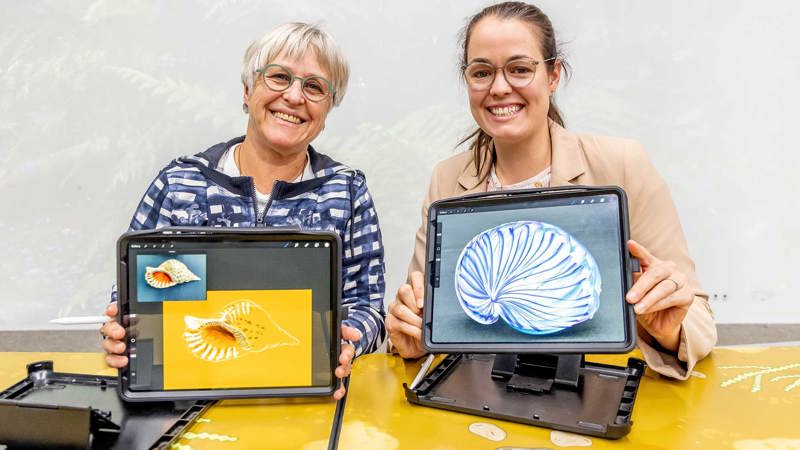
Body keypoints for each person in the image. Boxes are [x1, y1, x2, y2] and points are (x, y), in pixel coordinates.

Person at [386, 2, 716, 380]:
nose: (498, 88)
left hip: (593, 396)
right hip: (477, 404)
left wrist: (669, 329)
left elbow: (699, 322)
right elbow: (424, 320)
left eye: (520, 69)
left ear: (554, 74)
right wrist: (410, 337)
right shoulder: (446, 180)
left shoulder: (622, 164)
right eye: (481, 73)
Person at [100, 22, 386, 398]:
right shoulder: (180, 182)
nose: (295, 97)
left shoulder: (347, 190)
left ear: (329, 107)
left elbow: (367, 308)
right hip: (191, 393)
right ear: (248, 91)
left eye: (314, 87)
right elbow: (134, 297)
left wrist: (349, 342)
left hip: (303, 396)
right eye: (280, 77)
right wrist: (122, 330)